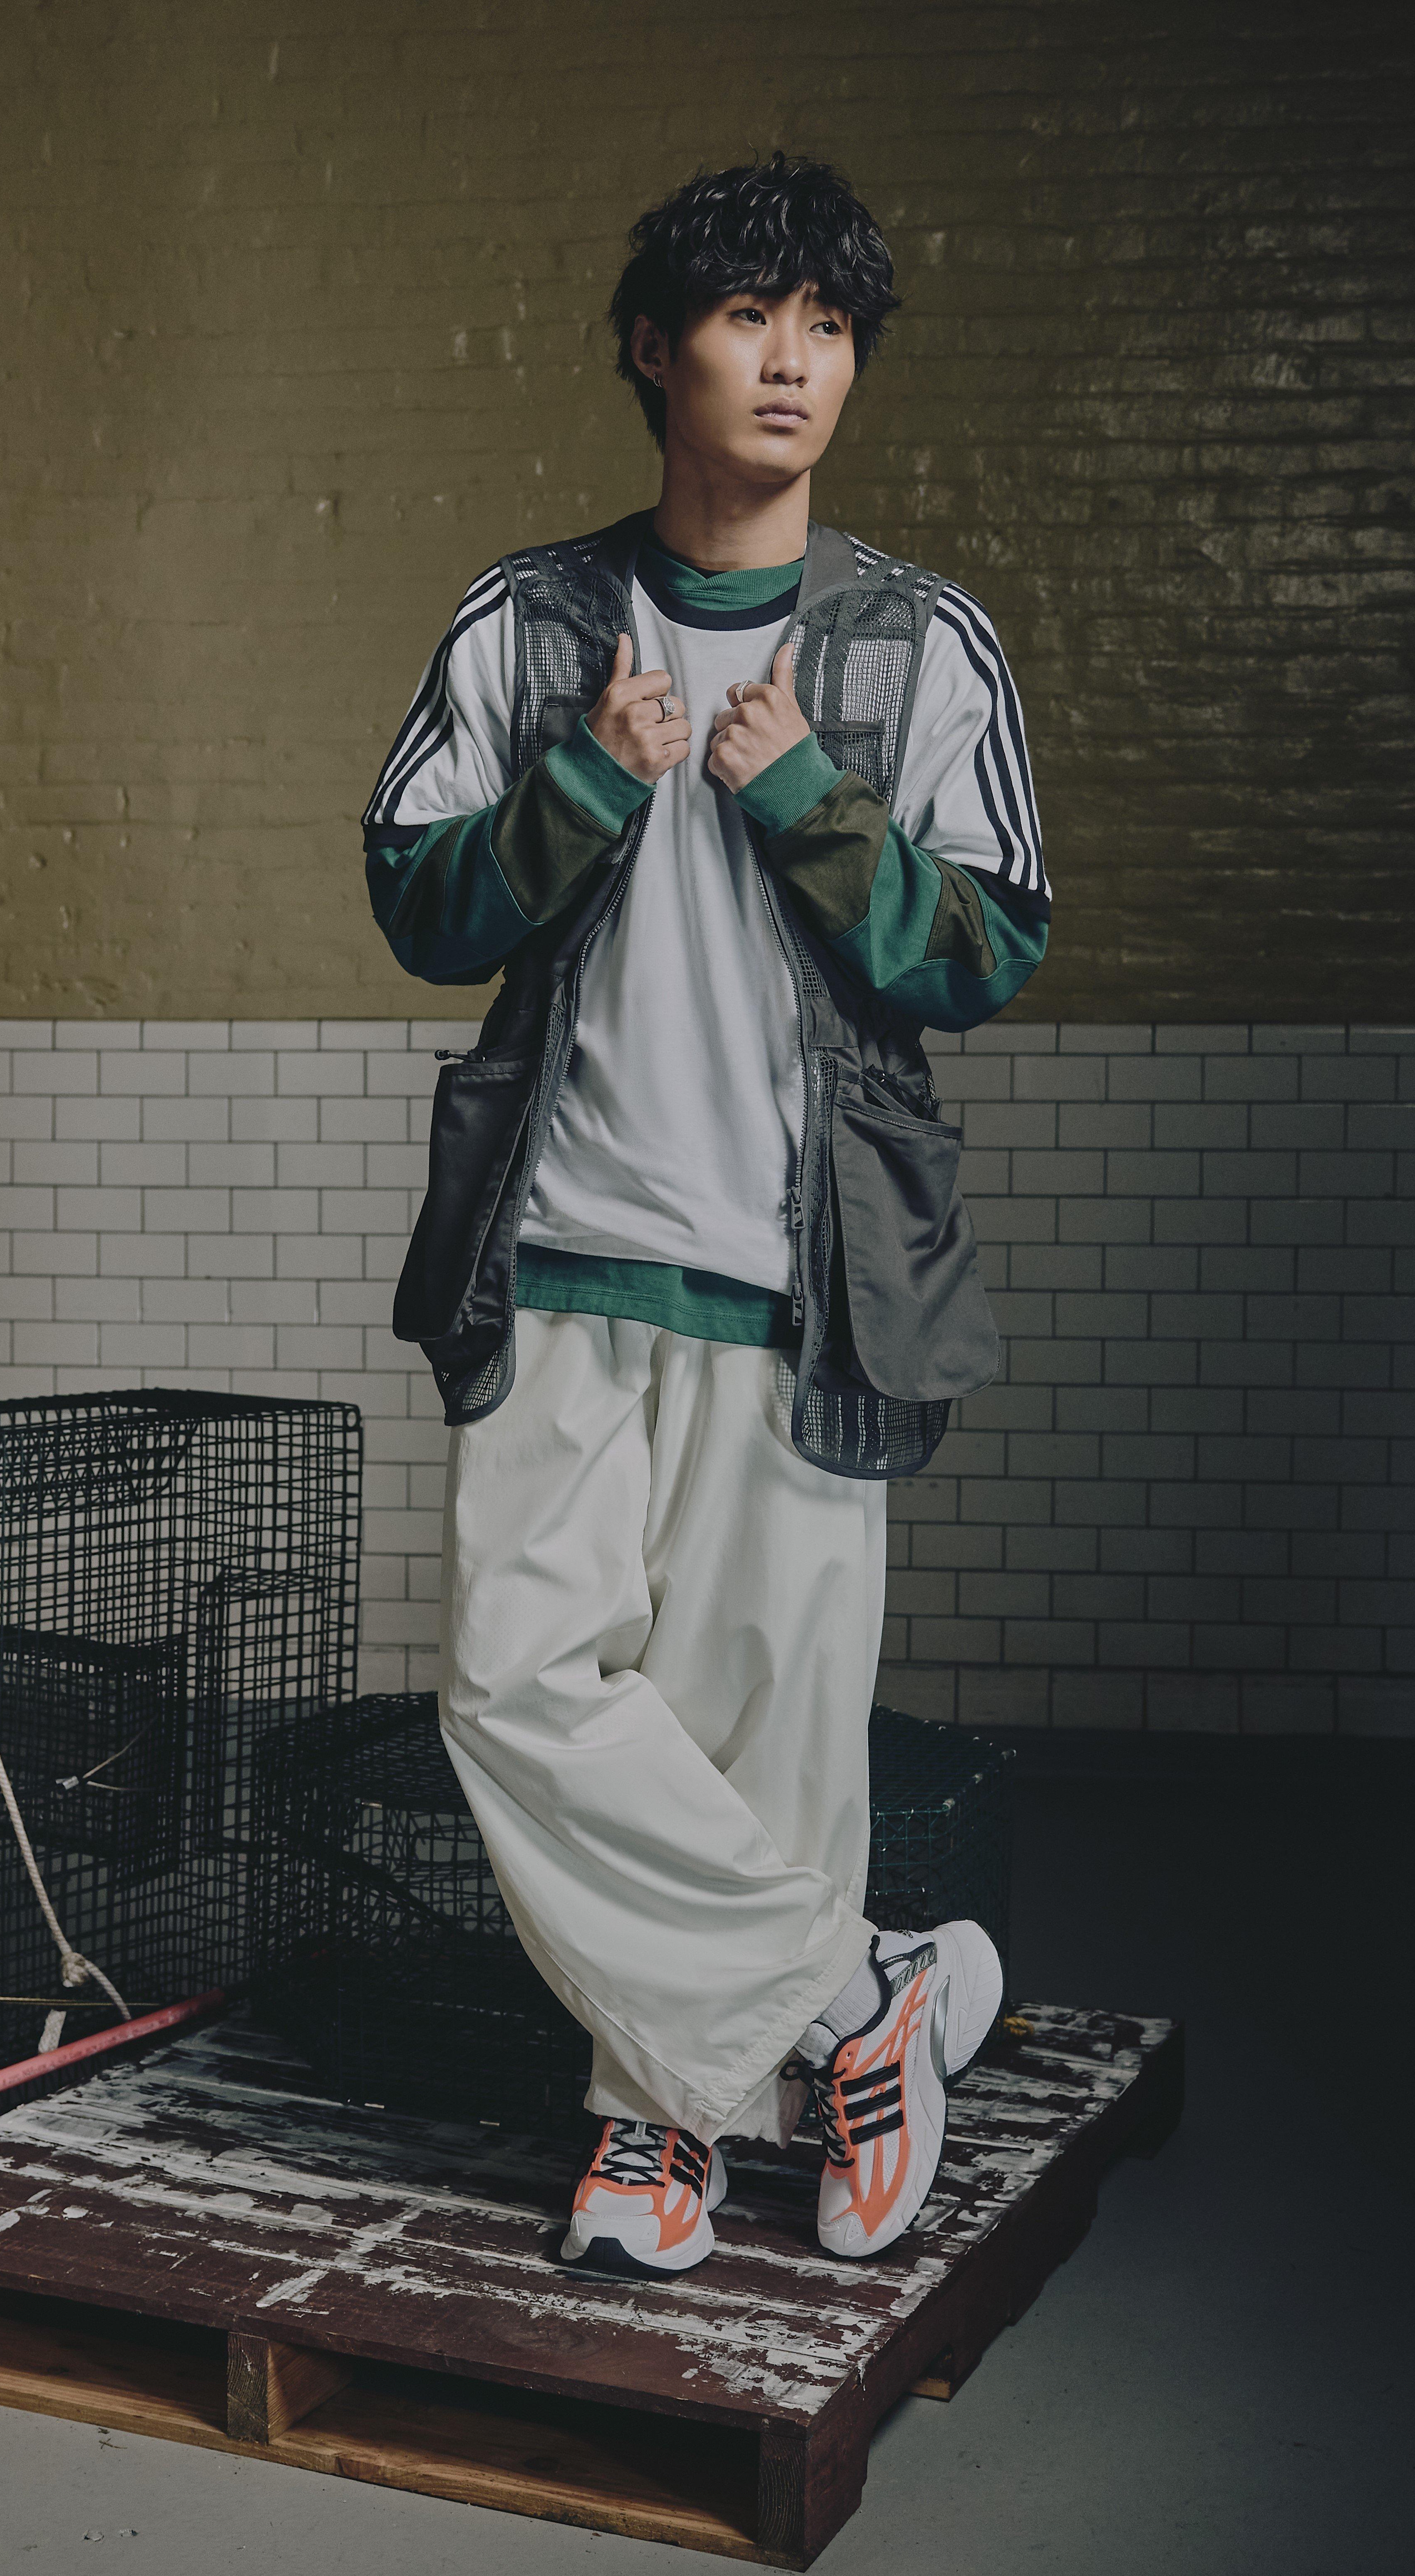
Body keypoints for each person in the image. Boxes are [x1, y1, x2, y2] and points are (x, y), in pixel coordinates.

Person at [362, 156, 1049, 2278]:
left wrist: (794, 802)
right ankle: (861, 2002)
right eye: (749, 318)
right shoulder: (532, 620)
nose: (789, 361)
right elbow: (409, 895)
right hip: (555, 1247)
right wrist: (580, 781)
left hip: (801, 1273)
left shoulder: (915, 644)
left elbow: (986, 952)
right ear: (653, 349)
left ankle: (655, 2126)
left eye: (825, 328)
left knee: (771, 1717)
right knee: (514, 1682)